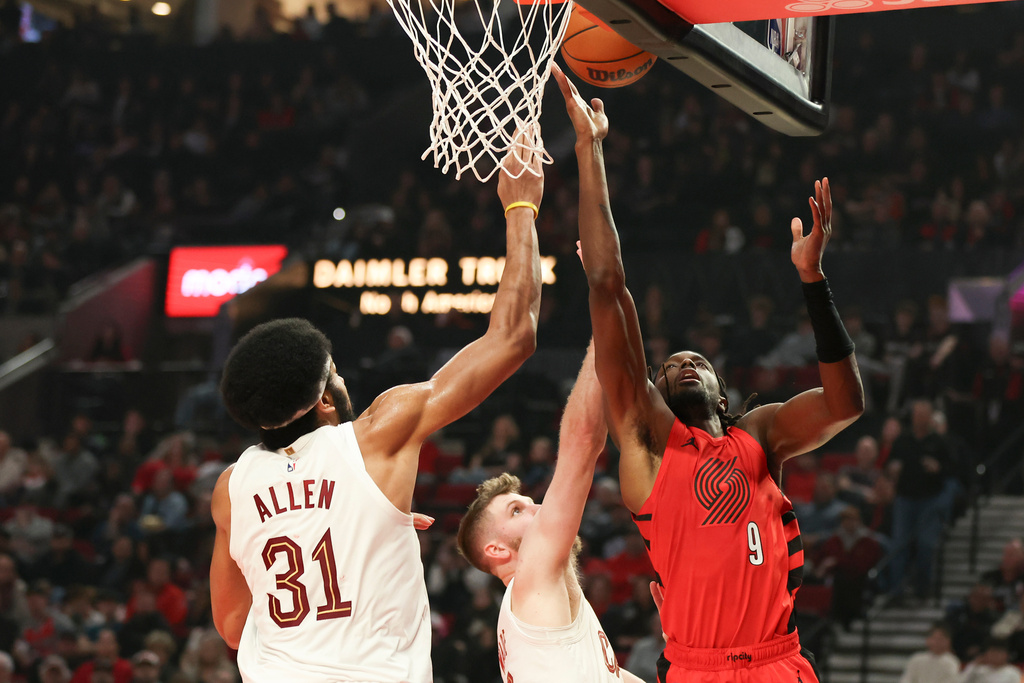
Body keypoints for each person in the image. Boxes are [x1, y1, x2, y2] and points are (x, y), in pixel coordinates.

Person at [553, 63, 864, 682]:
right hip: (701, 669)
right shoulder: (648, 442)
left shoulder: (761, 436)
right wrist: (590, 151)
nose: (685, 364)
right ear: (656, 394)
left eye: (697, 362)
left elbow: (844, 403)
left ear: (724, 393)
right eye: (670, 368)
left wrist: (812, 280)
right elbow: (608, 283)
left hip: (781, 664)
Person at [210, 143, 544, 682]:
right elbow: (514, 337)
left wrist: (346, 531)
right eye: (335, 373)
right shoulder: (376, 435)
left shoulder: (231, 486)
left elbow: (230, 624)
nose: (343, 382)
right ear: (322, 399)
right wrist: (521, 207)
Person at [456, 342, 645, 682]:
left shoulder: (537, 603)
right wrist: (605, 326)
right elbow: (582, 440)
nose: (538, 508)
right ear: (497, 550)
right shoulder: (532, 574)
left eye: (529, 501)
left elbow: (611, 676)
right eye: (516, 511)